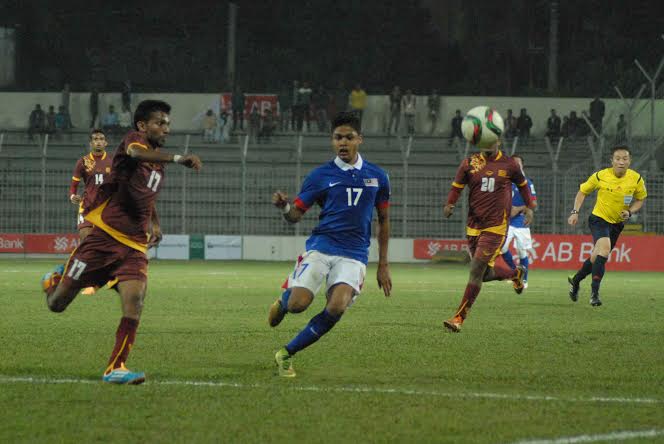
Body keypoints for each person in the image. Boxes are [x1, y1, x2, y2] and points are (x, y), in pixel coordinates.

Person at [40, 100, 202, 385]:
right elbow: (134, 152)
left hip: (135, 245)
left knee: (135, 299)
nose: (166, 128)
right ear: (142, 125)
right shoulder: (134, 143)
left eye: (167, 123)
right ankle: (53, 279)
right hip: (104, 237)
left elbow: (144, 196)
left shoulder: (155, 163)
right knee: (57, 304)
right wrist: (178, 158)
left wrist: (155, 223)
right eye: (160, 122)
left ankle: (116, 367)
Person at [267, 111, 392, 377]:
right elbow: (295, 216)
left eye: (348, 137)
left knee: (337, 307)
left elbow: (383, 220)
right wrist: (284, 206)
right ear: (332, 141)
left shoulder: (378, 177)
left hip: (354, 254)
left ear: (360, 139)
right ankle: (285, 299)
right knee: (298, 306)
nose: (343, 143)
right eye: (337, 138)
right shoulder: (320, 175)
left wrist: (383, 264)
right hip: (322, 247)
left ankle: (286, 353)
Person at [442, 139, 535, 332]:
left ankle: (459, 318)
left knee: (475, 270)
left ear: (499, 141)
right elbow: (457, 186)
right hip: (474, 226)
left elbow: (524, 185)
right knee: (482, 275)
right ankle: (515, 273)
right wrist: (450, 203)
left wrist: (530, 207)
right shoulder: (470, 163)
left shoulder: (509, 164)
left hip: (496, 226)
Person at [567, 146, 647, 307]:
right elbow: (582, 191)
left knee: (597, 257)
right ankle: (594, 294)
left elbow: (640, 199)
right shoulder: (601, 176)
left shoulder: (636, 179)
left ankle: (575, 281)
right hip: (599, 219)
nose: (621, 162)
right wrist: (575, 211)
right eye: (618, 158)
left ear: (629, 161)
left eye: (625, 158)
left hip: (617, 224)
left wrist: (630, 212)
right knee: (604, 250)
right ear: (612, 161)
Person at [69, 129, 114, 295]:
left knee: (108, 245)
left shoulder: (113, 161)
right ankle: (84, 280)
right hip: (87, 207)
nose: (99, 142)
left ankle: (105, 277)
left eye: (102, 139)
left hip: (106, 210)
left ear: (106, 142)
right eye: (95, 139)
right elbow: (74, 185)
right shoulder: (83, 162)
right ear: (91, 143)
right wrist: (73, 195)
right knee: (86, 244)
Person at [500, 155, 538, 289]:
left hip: (521, 222)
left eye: (518, 162)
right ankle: (515, 272)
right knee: (502, 248)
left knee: (522, 251)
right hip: (505, 222)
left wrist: (519, 208)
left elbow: (533, 203)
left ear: (522, 165)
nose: (515, 164)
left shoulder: (527, 183)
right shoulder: (504, 182)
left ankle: (525, 280)